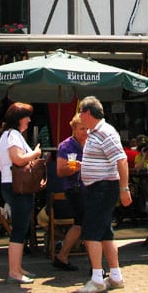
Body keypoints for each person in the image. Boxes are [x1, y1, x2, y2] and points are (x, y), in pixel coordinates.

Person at [77, 96, 131, 293]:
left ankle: (97, 279)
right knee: (105, 233)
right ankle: (115, 276)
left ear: (88, 113)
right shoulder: (96, 131)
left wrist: (124, 188)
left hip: (102, 188)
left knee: (91, 232)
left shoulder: (105, 132)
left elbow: (121, 160)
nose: (79, 116)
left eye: (81, 112)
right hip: (101, 187)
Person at [0, 102, 42, 285]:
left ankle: (17, 267)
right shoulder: (13, 135)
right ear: (19, 119)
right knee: (19, 229)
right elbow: (17, 159)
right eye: (27, 116)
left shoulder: (9, 135)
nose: (29, 120)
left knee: (21, 228)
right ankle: (14, 271)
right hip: (17, 186)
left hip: (12, 185)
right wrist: (36, 153)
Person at [53, 113, 88, 271]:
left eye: (88, 128)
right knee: (85, 223)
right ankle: (94, 264)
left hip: (91, 188)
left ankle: (62, 257)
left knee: (81, 225)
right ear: (73, 128)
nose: (85, 132)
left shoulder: (92, 143)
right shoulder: (66, 146)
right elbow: (60, 171)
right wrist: (75, 167)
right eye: (82, 128)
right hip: (75, 189)